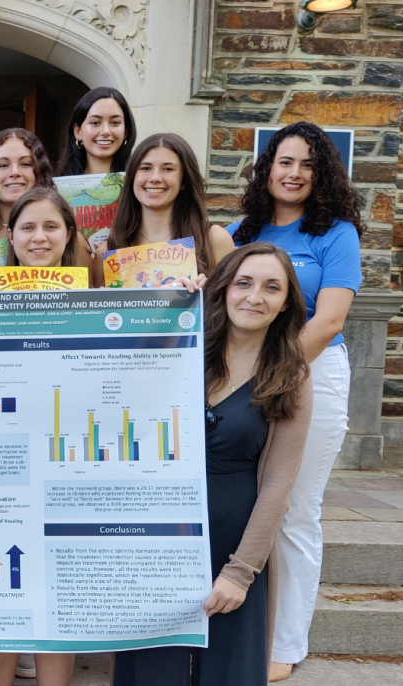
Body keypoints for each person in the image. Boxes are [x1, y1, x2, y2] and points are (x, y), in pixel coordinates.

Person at [113, 242, 313, 686]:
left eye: (271, 288)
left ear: (285, 304)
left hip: (236, 541)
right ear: (222, 288)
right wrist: (169, 316)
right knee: (151, 669)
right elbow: (121, 392)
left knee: (230, 671)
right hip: (160, 541)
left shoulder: (290, 375)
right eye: (243, 283)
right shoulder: (183, 348)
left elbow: (280, 485)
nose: (254, 297)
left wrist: (241, 572)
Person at [225, 122, 363, 683]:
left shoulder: (336, 234)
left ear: (321, 171)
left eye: (307, 164)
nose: (294, 173)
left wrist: (271, 371)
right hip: (242, 377)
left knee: (295, 509)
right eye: (284, 162)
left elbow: (329, 319)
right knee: (250, 507)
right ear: (267, 168)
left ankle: (285, 645)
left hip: (311, 373)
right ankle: (243, 631)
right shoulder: (240, 231)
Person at [0, 187, 83, 686]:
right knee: (1, 591)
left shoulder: (98, 303)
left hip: (66, 464)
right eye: (28, 227)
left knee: (57, 595)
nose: (39, 237)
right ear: (10, 237)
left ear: (69, 235)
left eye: (50, 227)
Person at [0, 129, 101, 291]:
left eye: (25, 164)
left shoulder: (73, 241)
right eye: (3, 165)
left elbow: (86, 308)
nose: (14, 173)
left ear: (39, 170)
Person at [97, 133, 235, 282]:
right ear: (132, 178)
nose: (155, 177)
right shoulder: (106, 251)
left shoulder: (215, 240)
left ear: (184, 181)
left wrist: (207, 294)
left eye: (168, 169)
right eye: (145, 168)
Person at [56, 87, 136, 176]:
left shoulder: (139, 183)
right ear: (78, 131)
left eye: (115, 122)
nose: (105, 131)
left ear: (126, 131)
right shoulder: (57, 187)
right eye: (95, 123)